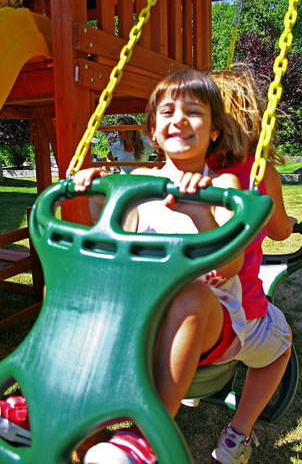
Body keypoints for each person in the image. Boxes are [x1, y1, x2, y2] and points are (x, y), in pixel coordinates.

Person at [0, 69, 246, 463]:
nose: (179, 119)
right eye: (167, 111)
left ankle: (145, 436)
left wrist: (202, 213)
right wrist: (93, 196)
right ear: (153, 130)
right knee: (73, 291)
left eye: (193, 112)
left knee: (189, 293)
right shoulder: (135, 181)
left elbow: (232, 264)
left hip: (202, 320)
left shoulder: (223, 188)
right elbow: (118, 242)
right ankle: (50, 407)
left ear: (214, 130)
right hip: (134, 314)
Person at [204, 67, 297, 463]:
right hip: (234, 326)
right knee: (281, 346)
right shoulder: (262, 175)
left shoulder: (187, 172)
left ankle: (188, 394)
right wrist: (294, 223)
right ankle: (237, 434)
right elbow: (278, 231)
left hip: (171, 322)